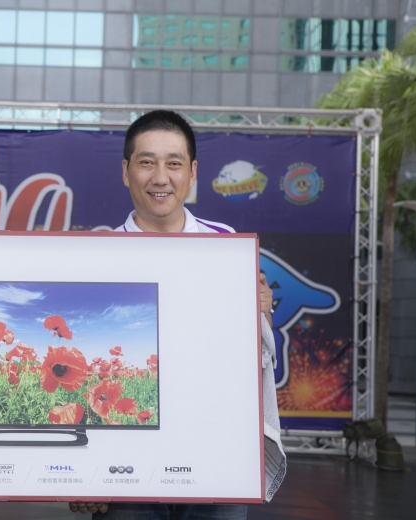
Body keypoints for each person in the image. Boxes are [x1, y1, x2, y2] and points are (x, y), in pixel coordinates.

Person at [70, 110, 286, 519]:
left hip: (216, 452)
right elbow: (87, 370)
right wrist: (85, 473)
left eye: (173, 163)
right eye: (146, 162)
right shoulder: (98, 257)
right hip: (125, 464)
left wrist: (262, 313)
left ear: (192, 172)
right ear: (126, 171)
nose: (160, 178)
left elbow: (253, 353)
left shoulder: (227, 245)